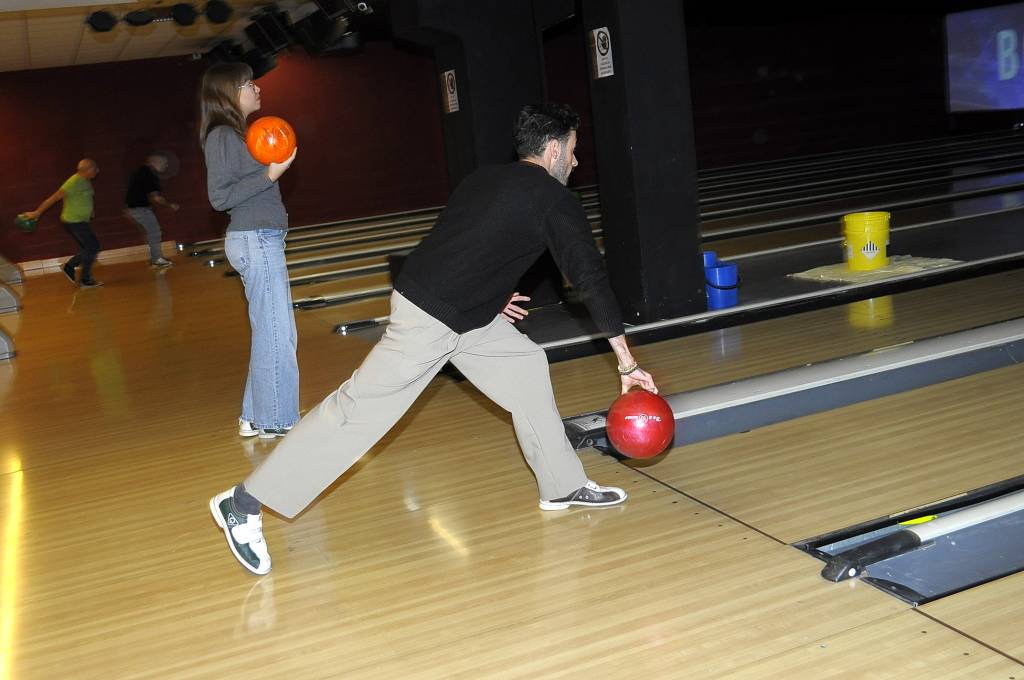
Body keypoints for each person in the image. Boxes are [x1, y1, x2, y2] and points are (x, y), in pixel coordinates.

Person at [209, 102, 658, 576]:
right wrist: (626, 363)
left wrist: (490, 297)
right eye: (572, 150)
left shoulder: (485, 178)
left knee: (525, 366)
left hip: (462, 313)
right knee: (356, 414)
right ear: (552, 149)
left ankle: (562, 485)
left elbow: (466, 244)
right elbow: (590, 279)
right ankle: (243, 503)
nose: (576, 160)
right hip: (430, 319)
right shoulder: (553, 199)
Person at [199, 62, 299, 441]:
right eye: (248, 84)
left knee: (269, 330)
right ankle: (277, 419)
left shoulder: (238, 134)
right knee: (277, 332)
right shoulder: (222, 135)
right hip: (255, 238)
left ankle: (255, 415)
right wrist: (271, 174)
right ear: (229, 92)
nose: (257, 88)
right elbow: (219, 197)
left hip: (259, 237)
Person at [25, 158, 103, 288]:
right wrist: (37, 212)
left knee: (90, 248)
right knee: (92, 247)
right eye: (95, 168)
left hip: (80, 221)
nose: (98, 171)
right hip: (74, 221)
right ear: (88, 169)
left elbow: (87, 197)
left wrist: (91, 210)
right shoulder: (73, 182)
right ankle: (76, 272)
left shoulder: (86, 180)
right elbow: (54, 198)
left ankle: (81, 275)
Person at [124, 153, 179, 269]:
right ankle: (157, 259)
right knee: (155, 232)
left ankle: (155, 258)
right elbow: (156, 197)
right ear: (156, 162)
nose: (166, 166)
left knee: (152, 232)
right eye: (165, 163)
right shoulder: (150, 174)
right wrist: (170, 205)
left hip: (134, 208)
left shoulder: (141, 171)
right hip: (140, 209)